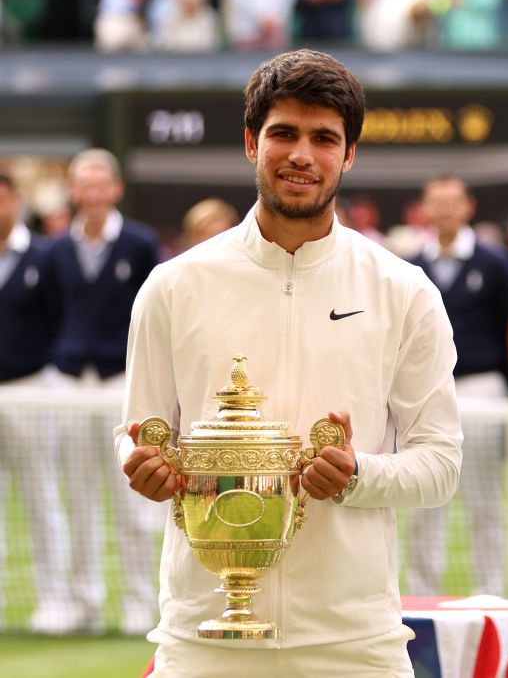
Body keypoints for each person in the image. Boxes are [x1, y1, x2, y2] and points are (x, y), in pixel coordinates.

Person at [117, 50, 462, 676]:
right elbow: (138, 431)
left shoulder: (403, 289)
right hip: (204, 638)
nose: (302, 155)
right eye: (284, 133)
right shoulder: (173, 286)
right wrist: (140, 464)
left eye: (324, 138)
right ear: (252, 142)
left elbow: (440, 464)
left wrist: (358, 475)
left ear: (348, 154)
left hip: (353, 642)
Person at [43, 147, 162, 635]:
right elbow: (51, 313)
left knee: (132, 497)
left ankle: (139, 601)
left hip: (121, 383)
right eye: (83, 185)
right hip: (70, 384)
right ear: (74, 192)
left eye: (100, 184)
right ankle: (81, 602)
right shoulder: (54, 250)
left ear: (115, 189)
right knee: (80, 496)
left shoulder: (139, 243)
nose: (91, 194)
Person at [406, 175, 508, 597]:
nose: (446, 210)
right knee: (421, 494)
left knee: (484, 497)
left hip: (482, 388)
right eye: (437, 202)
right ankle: (420, 594)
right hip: (425, 392)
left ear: (467, 206)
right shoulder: (412, 266)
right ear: (426, 209)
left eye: (453, 202)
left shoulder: (495, 262)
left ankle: (492, 592)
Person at [0, 172, 72, 634]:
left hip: (31, 389)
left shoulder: (44, 256)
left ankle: (56, 601)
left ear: (16, 200)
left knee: (41, 496)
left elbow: (60, 319)